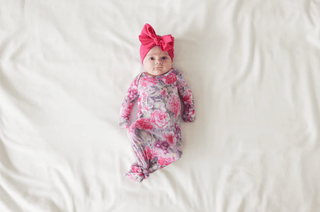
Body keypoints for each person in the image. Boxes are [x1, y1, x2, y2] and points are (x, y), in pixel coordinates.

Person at [119, 23, 195, 182]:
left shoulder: (174, 76)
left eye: (164, 57)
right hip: (148, 124)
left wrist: (189, 111)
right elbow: (129, 98)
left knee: (172, 148)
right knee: (132, 131)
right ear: (143, 61)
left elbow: (186, 93)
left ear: (171, 61)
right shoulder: (140, 79)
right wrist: (124, 117)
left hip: (169, 126)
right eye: (151, 58)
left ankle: (167, 156)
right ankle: (144, 164)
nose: (158, 62)